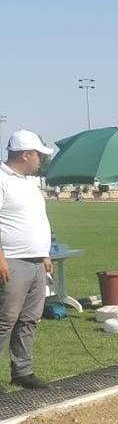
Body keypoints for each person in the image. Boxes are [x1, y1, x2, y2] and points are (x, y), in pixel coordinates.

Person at [0, 130, 55, 390]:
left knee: (30, 318)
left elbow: (34, 220)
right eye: (38, 155)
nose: (40, 161)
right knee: (5, 319)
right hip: (12, 260)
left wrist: (44, 253)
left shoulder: (30, 183)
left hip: (36, 262)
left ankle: (22, 370)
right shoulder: (1, 179)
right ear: (26, 154)